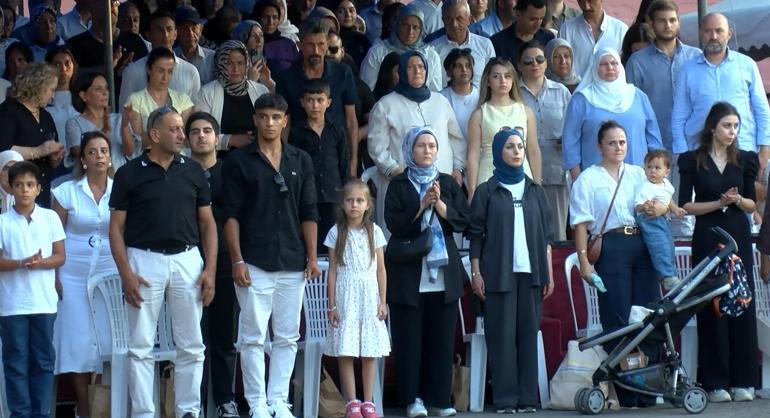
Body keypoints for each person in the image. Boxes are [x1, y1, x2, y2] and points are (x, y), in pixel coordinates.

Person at [109, 105, 217, 418]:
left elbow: (208, 223)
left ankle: (188, 412)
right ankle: (144, 413)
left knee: (192, 344)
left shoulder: (194, 170)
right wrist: (126, 274)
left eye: (182, 128)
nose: (182, 134)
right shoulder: (129, 173)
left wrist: (210, 269)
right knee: (141, 345)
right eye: (175, 129)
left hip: (187, 259)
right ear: (155, 135)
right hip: (143, 261)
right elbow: (115, 228)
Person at [221, 94, 321, 418]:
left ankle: (278, 400)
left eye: (276, 117)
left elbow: (309, 211)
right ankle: (257, 403)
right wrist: (237, 260)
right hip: (253, 260)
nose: (269, 122)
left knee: (288, 336)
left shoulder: (301, 160)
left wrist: (312, 257)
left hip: (293, 259)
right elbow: (230, 215)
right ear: (254, 119)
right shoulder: (238, 161)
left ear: (285, 120)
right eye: (263, 116)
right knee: (252, 337)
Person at [569, 120, 662, 407]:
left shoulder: (638, 174)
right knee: (618, 317)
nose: (618, 147)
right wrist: (584, 263)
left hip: (641, 244)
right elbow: (580, 224)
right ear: (600, 146)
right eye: (612, 143)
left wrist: (659, 206)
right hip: (610, 246)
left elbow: (661, 199)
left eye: (622, 142)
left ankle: (649, 388)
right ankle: (622, 391)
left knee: (648, 314)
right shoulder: (588, 178)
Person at [467, 128, 554, 414]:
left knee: (528, 335)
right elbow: (476, 235)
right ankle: (505, 399)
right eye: (510, 147)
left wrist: (548, 273)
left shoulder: (535, 190)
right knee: (502, 337)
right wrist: (476, 272)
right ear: (498, 152)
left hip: (531, 274)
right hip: (497, 274)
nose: (517, 152)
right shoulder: (486, 191)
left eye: (520, 146)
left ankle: (528, 398)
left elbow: (547, 236)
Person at [383, 126, 468, 418]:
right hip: (409, 277)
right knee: (410, 343)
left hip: (443, 277)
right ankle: (412, 399)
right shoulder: (398, 184)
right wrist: (421, 205)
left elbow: (464, 221)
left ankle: (440, 399)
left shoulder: (447, 182)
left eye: (432, 145)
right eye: (421, 145)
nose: (427, 150)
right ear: (410, 149)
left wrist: (441, 206)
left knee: (441, 342)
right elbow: (394, 225)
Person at [678, 102, 759, 403]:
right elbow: (685, 205)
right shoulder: (692, 160)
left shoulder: (745, 159)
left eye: (736, 126)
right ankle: (715, 382)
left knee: (741, 301)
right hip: (708, 235)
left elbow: (752, 204)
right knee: (711, 304)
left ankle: (744, 380)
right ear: (713, 127)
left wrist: (736, 201)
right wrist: (718, 203)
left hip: (737, 234)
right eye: (727, 125)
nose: (732, 131)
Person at [51, 131, 116, 418]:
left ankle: (100, 406)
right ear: (83, 160)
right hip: (72, 277)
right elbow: (54, 237)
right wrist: (54, 276)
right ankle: (85, 407)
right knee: (76, 343)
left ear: (110, 157)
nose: (99, 156)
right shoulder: (66, 192)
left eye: (104, 150)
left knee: (106, 341)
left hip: (110, 275)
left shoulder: (121, 190)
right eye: (92, 151)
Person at [184, 111, 241, 418]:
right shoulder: (179, 172)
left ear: (217, 138)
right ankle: (190, 404)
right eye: (195, 131)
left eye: (207, 130)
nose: (201, 136)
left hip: (225, 265)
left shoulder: (231, 172)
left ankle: (224, 400)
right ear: (186, 139)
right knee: (190, 340)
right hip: (186, 264)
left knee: (223, 337)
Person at [0, 161, 65, 418]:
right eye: (19, 185)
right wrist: (20, 263)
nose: (24, 190)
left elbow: (60, 256)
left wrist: (39, 263)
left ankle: (41, 413)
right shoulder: (2, 222)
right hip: (12, 305)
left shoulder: (50, 218)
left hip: (44, 302)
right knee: (15, 363)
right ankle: (20, 414)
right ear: (10, 189)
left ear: (39, 188)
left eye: (30, 185)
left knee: (43, 361)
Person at [671, 13, 770, 173]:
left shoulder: (746, 65)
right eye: (708, 31)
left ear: (729, 33)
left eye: (719, 31)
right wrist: (683, 153)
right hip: (701, 153)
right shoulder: (687, 70)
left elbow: (762, 109)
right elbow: (679, 114)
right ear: (701, 33)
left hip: (743, 149)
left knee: (743, 191)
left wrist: (765, 148)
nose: (713, 36)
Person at [324, 179, 390, 418]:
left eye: (359, 200)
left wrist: (382, 301)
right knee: (347, 350)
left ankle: (368, 401)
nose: (354, 205)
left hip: (369, 297)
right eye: (350, 200)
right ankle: (352, 402)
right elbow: (332, 271)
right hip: (346, 297)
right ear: (342, 204)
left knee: (369, 351)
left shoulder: (375, 232)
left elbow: (381, 269)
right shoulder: (336, 232)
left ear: (367, 205)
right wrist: (331, 305)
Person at [625, 0, 701, 190]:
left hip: (693, 146)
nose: (668, 25)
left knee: (690, 205)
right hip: (654, 149)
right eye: (662, 21)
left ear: (679, 22)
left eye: (672, 20)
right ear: (651, 24)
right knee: (656, 203)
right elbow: (632, 108)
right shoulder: (637, 62)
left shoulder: (696, 58)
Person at [275, 19, 359, 177]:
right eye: (310, 45)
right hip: (300, 155)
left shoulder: (342, 72)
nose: (316, 51)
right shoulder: (287, 78)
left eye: (321, 44)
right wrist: (284, 160)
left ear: (327, 44)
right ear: (300, 45)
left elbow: (351, 121)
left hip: (336, 156)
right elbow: (285, 123)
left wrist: (353, 161)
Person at [562, 47, 662, 178]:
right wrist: (577, 178)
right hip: (595, 179)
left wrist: (656, 172)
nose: (610, 67)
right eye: (603, 64)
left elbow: (653, 138)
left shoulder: (638, 96)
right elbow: (570, 141)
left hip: (638, 177)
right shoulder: (582, 99)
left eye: (614, 63)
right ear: (595, 67)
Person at [367, 51, 465, 183]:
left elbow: (456, 138)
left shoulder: (440, 101)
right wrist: (394, 170)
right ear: (402, 71)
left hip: (441, 180)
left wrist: (458, 168)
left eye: (421, 66)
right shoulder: (386, 105)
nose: (417, 71)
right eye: (410, 67)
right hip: (402, 183)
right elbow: (376, 146)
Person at [517, 40, 570, 241]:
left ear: (546, 63)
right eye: (528, 61)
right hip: (522, 173)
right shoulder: (513, 94)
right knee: (525, 234)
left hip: (556, 171)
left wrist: (566, 140)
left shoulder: (562, 92)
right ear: (519, 65)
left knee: (557, 234)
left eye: (539, 59)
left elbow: (573, 130)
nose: (535, 64)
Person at [466, 57, 541, 199]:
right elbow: (473, 155)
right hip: (489, 176)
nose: (503, 81)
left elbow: (533, 150)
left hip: (522, 176)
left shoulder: (526, 112)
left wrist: (537, 185)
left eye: (507, 76)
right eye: (496, 76)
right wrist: (472, 191)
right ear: (488, 81)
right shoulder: (479, 115)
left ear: (513, 80)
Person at [289, 78, 349, 249]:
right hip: (308, 195)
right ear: (302, 102)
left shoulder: (337, 130)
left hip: (333, 195)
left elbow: (344, 164)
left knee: (334, 242)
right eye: (310, 100)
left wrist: (345, 194)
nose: (315, 106)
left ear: (328, 102)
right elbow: (294, 166)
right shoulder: (297, 133)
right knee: (310, 242)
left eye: (320, 100)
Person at [0, 62, 65, 208]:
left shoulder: (46, 116)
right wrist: (38, 151)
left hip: (41, 190)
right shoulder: (8, 111)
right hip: (15, 194)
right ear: (38, 85)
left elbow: (52, 158)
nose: (53, 96)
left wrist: (55, 157)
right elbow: (3, 150)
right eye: (51, 90)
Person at [194, 40, 270, 152]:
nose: (236, 69)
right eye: (229, 63)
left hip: (256, 155)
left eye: (240, 63)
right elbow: (199, 134)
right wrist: (230, 140)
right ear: (220, 64)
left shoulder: (260, 90)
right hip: (220, 158)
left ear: (247, 64)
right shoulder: (206, 93)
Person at [118, 10, 201, 108]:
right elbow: (124, 112)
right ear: (149, 35)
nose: (165, 35)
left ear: (175, 34)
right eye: (159, 30)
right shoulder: (132, 72)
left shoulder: (190, 72)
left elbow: (196, 112)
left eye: (169, 29)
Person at [66, 71, 140, 172]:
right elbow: (78, 152)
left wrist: (125, 126)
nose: (105, 93)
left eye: (106, 88)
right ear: (84, 96)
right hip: (88, 177)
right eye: (98, 89)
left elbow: (129, 152)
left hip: (118, 177)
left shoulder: (118, 119)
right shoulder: (74, 123)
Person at [360, 4, 443, 93]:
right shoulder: (378, 52)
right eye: (405, 25)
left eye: (415, 27)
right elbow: (366, 90)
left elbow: (436, 93)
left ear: (421, 30)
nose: (410, 31)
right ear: (397, 25)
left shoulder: (430, 55)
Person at [634, 150, 686, 289]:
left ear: (666, 172)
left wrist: (675, 209)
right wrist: (644, 206)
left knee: (669, 246)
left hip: (663, 219)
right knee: (659, 245)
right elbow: (637, 206)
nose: (652, 171)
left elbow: (668, 199)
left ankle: (671, 275)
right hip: (649, 219)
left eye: (657, 168)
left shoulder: (666, 184)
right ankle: (666, 276)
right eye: (649, 167)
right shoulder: (644, 186)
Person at [124, 47, 196, 147]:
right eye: (160, 71)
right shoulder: (135, 100)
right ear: (148, 69)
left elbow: (187, 140)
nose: (165, 77)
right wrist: (166, 129)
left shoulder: (183, 99)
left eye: (169, 72)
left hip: (178, 155)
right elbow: (138, 142)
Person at [428, 0, 495, 89]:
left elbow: (493, 79)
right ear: (443, 21)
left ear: (469, 19)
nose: (454, 24)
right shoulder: (433, 49)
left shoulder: (485, 45)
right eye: (449, 19)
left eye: (459, 19)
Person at [558, 0, 628, 79]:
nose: (586, 7)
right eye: (581, 1)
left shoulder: (621, 30)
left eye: (590, 0)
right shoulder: (567, 29)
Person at [44, 46, 79, 155]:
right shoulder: (42, 103)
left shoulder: (84, 97)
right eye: (57, 65)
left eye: (67, 63)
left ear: (74, 65)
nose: (63, 69)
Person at [440, 48, 478, 142]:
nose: (464, 70)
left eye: (468, 66)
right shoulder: (441, 98)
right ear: (449, 71)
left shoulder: (481, 95)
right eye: (458, 66)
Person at [174, 5, 216, 85]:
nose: (190, 33)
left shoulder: (212, 58)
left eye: (194, 28)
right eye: (185, 29)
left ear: (200, 30)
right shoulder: (171, 57)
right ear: (176, 32)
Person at [252, 0, 299, 71]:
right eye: (266, 17)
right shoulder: (250, 42)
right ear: (258, 17)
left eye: (274, 17)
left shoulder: (288, 45)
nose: (270, 22)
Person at [333, 0, 371, 66]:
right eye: (341, 11)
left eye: (351, 10)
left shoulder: (362, 39)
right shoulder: (332, 39)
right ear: (334, 13)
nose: (348, 15)